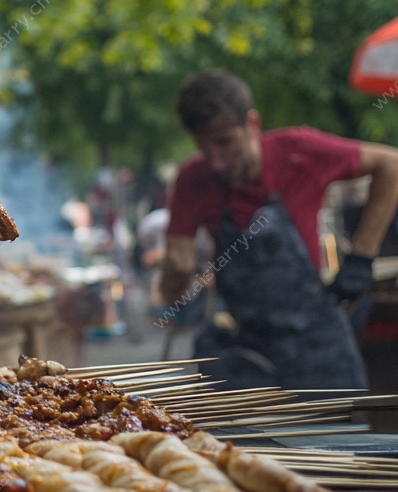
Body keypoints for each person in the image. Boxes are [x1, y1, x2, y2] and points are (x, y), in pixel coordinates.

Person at [158, 71, 398, 389]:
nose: (216, 161)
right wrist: (176, 280)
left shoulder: (299, 152)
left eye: (224, 142)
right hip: (248, 351)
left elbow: (391, 165)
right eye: (204, 147)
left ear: (252, 124)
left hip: (319, 350)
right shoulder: (193, 179)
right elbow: (173, 281)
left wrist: (361, 257)